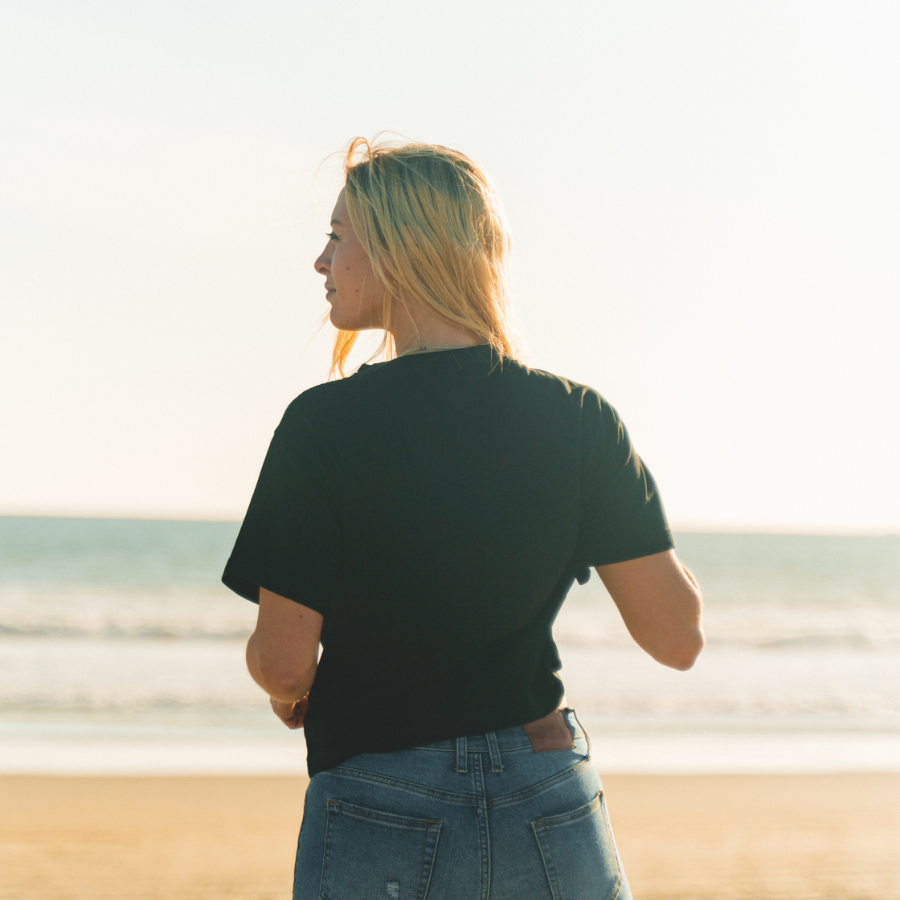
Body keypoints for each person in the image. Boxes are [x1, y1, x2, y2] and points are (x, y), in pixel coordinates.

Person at [222, 138, 704, 900]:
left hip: (377, 797)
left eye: (338, 237)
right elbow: (677, 636)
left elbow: (283, 663)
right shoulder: (578, 420)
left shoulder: (324, 425)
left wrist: (290, 693)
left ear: (399, 251)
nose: (321, 261)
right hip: (546, 793)